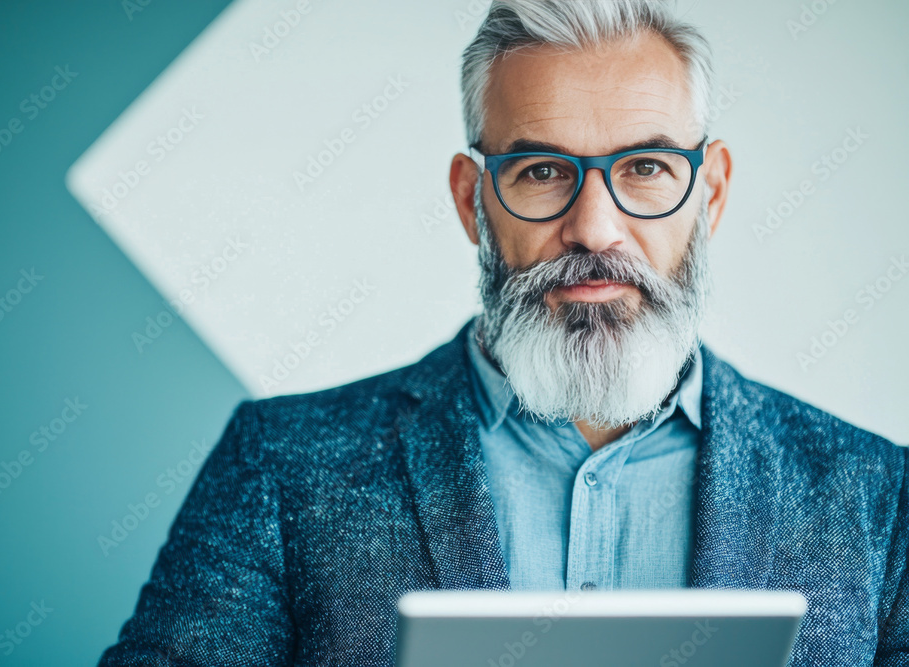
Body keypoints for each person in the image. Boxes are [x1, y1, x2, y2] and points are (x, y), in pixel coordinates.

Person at [99, 1, 908, 664]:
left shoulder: (878, 494)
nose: (595, 229)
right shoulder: (282, 463)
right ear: (471, 200)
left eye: (647, 168)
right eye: (542, 171)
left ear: (713, 193)